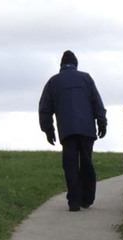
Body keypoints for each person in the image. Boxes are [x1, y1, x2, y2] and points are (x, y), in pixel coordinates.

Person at [38, 50, 107, 212]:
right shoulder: (86, 78)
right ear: (76, 64)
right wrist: (102, 123)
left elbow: (44, 109)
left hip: (67, 130)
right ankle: (87, 199)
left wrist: (48, 130)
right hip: (87, 129)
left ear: (61, 65)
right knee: (86, 162)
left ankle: (74, 201)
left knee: (70, 164)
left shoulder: (53, 82)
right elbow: (97, 102)